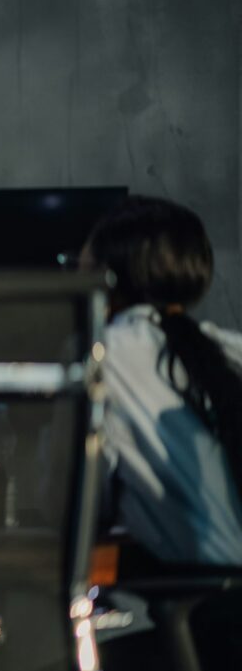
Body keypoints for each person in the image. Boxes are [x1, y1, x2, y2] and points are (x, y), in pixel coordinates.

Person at [83, 195, 242, 565]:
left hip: (203, 605)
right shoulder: (230, 349)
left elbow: (77, 499)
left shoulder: (104, 356)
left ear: (105, 276)